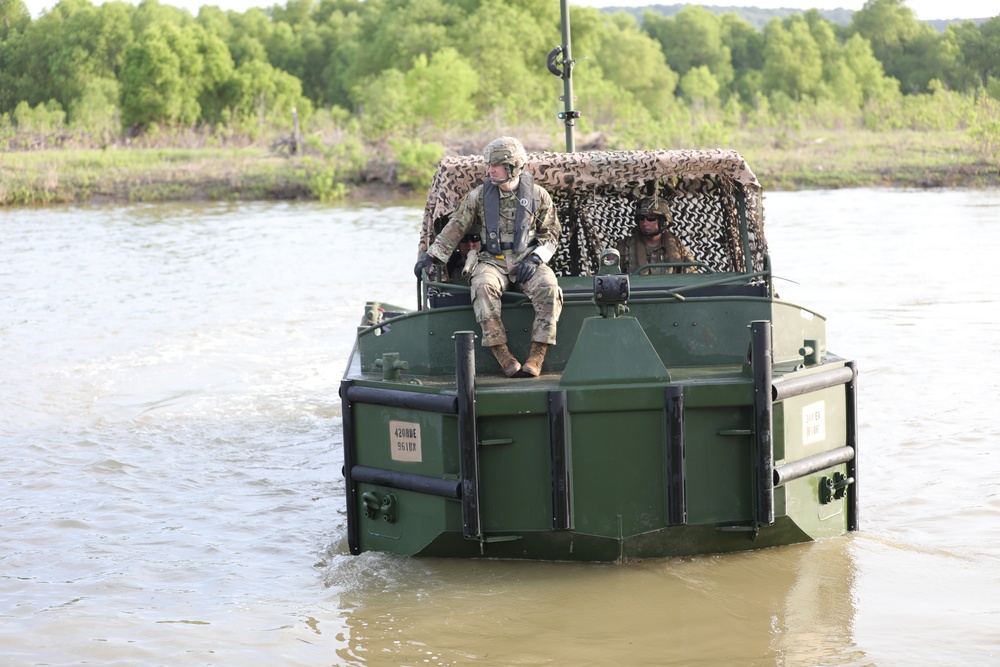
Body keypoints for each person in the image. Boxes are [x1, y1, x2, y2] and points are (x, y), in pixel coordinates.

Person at [414, 136, 562, 378]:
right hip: (493, 259)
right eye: (489, 165)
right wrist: (431, 256)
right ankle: (503, 354)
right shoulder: (479, 196)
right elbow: (456, 226)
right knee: (482, 286)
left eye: (496, 165)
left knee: (549, 287)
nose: (490, 169)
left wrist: (536, 258)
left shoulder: (538, 196)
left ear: (513, 166)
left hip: (526, 258)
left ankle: (537, 354)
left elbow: (552, 234)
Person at [616, 196, 696, 275]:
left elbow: (692, 278)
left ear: (662, 221)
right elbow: (612, 280)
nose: (645, 223)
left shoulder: (677, 247)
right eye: (641, 218)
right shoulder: (624, 247)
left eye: (651, 218)